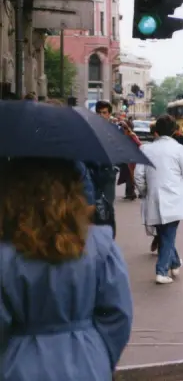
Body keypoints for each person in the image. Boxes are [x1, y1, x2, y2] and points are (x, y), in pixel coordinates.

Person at [0, 157, 133, 380]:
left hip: (20, 366)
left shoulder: (5, 253)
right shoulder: (100, 245)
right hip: (88, 363)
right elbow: (119, 314)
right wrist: (101, 355)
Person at [135, 115, 183, 285]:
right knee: (168, 234)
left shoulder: (145, 149)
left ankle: (175, 262)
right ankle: (161, 271)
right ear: (174, 131)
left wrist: (144, 192)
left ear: (156, 131)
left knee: (165, 234)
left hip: (154, 198)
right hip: (175, 198)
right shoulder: (179, 149)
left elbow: (139, 176)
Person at [89, 100, 120, 237]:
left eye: (104, 113)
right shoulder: (90, 128)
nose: (101, 115)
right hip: (93, 171)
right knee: (92, 206)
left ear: (109, 114)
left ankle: (107, 236)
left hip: (108, 173)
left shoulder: (113, 130)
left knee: (107, 206)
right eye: (99, 112)